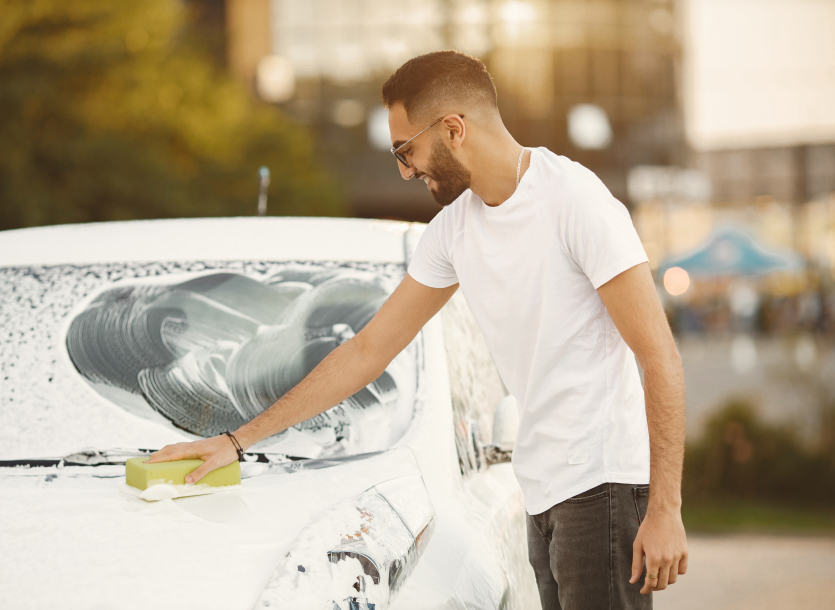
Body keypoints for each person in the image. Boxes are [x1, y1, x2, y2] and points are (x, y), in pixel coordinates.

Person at [146, 50, 688, 609]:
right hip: (543, 491)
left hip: (602, 486)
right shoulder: (454, 231)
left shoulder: (576, 202)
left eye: (407, 150)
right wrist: (237, 441)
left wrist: (665, 509)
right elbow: (367, 350)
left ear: (453, 129)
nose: (405, 170)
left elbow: (659, 358)